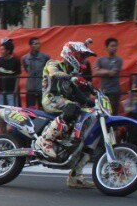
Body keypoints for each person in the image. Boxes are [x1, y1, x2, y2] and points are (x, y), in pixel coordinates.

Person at [35, 41, 97, 188]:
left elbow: (79, 95)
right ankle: (45, 141)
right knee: (73, 107)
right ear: (72, 55)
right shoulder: (53, 64)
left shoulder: (72, 75)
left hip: (64, 103)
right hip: (51, 100)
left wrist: (93, 100)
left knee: (90, 115)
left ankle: (75, 176)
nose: (83, 61)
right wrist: (71, 78)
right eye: (81, 57)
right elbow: (55, 74)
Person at [0, 38, 21, 133]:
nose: (1, 51)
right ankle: (2, 132)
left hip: (11, 92)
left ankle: (13, 132)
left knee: (13, 112)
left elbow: (18, 76)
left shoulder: (16, 61)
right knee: (1, 112)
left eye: (2, 49)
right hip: (1, 91)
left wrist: (15, 90)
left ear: (8, 51)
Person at [94, 37, 123, 114]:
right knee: (103, 113)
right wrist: (108, 71)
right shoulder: (100, 60)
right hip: (103, 92)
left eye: (116, 46)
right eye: (112, 46)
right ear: (107, 47)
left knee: (113, 113)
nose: (114, 48)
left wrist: (101, 70)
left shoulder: (118, 60)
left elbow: (113, 73)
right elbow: (96, 72)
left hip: (114, 91)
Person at [22, 37, 49, 108]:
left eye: (38, 44)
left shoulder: (45, 57)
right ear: (31, 46)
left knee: (43, 108)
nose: (38, 45)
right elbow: (26, 69)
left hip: (42, 88)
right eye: (36, 44)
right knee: (30, 109)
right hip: (30, 88)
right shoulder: (25, 58)